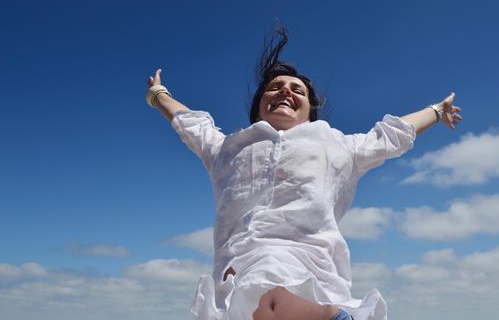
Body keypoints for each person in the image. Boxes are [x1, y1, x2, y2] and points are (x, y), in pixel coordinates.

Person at [146, 28, 462, 320]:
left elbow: (392, 135)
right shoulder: (227, 148)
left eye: (297, 90)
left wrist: (436, 111)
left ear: (310, 111)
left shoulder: (340, 146)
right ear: (259, 107)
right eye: (275, 87)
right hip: (239, 279)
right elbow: (191, 125)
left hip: (315, 284)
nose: (285, 91)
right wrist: (158, 93)